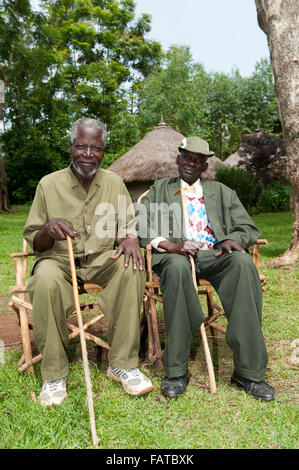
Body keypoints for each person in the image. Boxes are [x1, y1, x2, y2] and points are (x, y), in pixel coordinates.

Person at [24, 117, 153, 407]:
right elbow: (35, 241)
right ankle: (54, 375)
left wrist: (130, 236)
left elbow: (128, 227)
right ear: (71, 147)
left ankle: (122, 364)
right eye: (81, 146)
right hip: (58, 260)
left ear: (103, 150)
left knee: (131, 268)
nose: (87, 153)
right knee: (44, 280)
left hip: (102, 260)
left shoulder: (115, 182)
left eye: (94, 148)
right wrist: (47, 229)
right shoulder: (48, 184)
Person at [138, 136, 274, 401]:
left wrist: (235, 239)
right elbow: (141, 226)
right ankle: (176, 371)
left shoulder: (222, 192)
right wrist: (171, 246)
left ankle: (248, 372)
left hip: (214, 254)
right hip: (175, 256)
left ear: (204, 166)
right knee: (177, 268)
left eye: (197, 160)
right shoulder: (159, 189)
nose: (191, 163)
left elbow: (247, 227)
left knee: (243, 263)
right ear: (178, 159)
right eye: (186, 157)